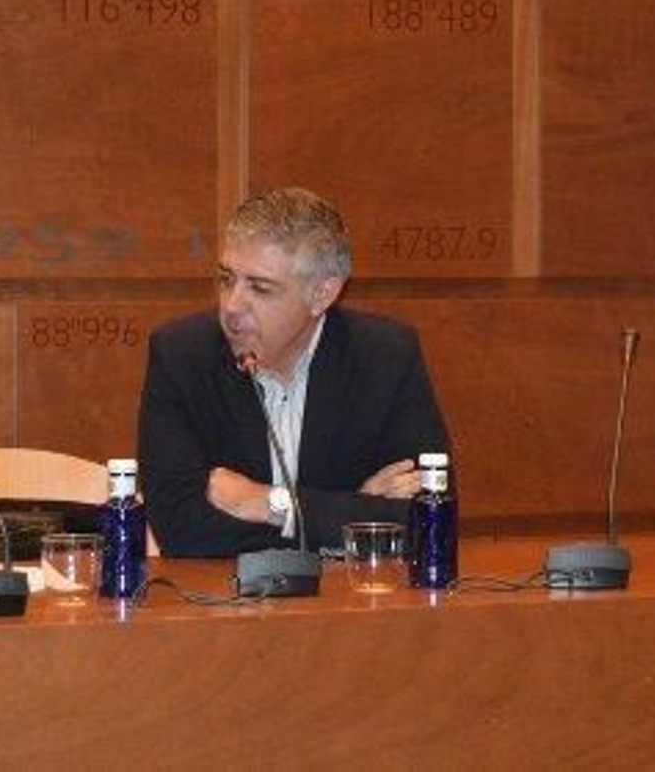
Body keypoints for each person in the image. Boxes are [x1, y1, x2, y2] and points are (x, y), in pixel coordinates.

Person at [138, 187, 452, 557]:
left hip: (349, 606)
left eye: (260, 288)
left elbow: (427, 520)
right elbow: (180, 529)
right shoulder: (182, 356)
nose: (232, 305)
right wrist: (354, 510)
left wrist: (269, 503)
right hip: (225, 603)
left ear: (322, 294)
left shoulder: (384, 356)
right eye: (226, 279)